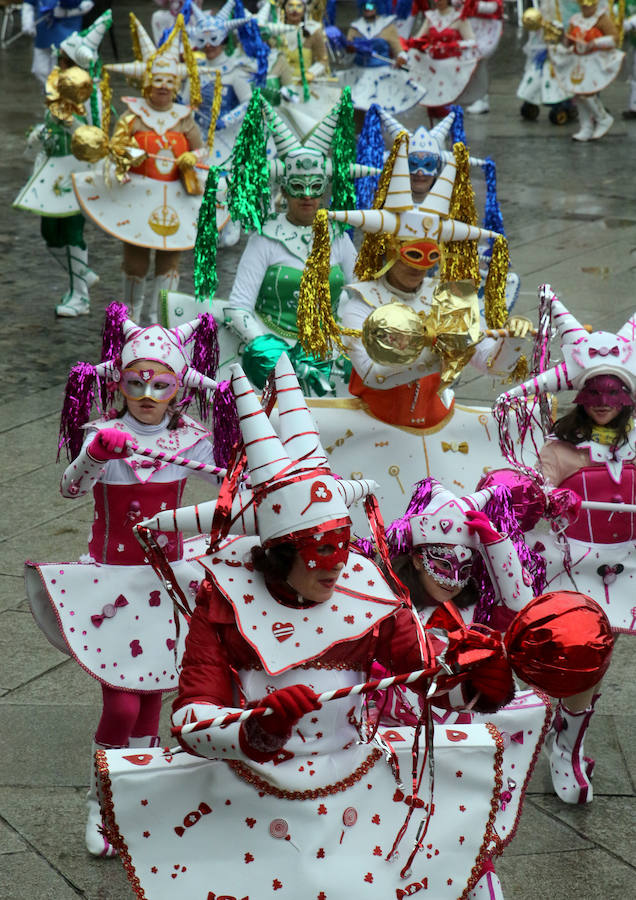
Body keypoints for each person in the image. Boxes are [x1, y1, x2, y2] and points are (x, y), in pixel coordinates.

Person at [94, 353, 520, 899]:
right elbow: (192, 714)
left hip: (357, 780)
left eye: (341, 544)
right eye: (318, 549)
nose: (338, 565)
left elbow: (427, 674)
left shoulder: (367, 586)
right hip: (250, 786)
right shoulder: (226, 600)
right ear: (279, 552)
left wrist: (474, 682)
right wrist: (253, 729)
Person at [24, 306, 223, 858]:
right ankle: (101, 804)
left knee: (153, 703)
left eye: (160, 384)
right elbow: (70, 489)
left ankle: (134, 805)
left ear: (179, 388)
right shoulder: (102, 434)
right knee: (121, 707)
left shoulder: (192, 440)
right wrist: (93, 457)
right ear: (119, 382)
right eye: (136, 382)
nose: (147, 394)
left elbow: (235, 481)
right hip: (111, 587)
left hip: (166, 587)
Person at [373, 477, 550, 899]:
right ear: (416, 558)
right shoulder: (382, 601)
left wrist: (496, 544)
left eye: (465, 568)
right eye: (442, 563)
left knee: (469, 855)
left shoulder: (473, 613)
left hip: (457, 750)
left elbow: (522, 607)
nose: (454, 580)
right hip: (390, 753)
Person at [495, 289, 636, 804]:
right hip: (569, 567)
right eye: (594, 390)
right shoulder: (558, 450)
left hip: (625, 569)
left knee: (598, 660)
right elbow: (525, 500)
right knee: (573, 653)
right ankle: (541, 740)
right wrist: (540, 499)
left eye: (614, 391)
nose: (604, 401)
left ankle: (567, 744)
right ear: (579, 394)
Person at [72, 14, 208, 324]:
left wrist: (192, 157)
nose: (163, 87)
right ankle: (130, 322)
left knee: (170, 259)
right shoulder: (133, 116)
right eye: (157, 80)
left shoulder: (184, 117)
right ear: (147, 82)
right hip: (138, 197)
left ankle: (161, 323)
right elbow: (116, 149)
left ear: (176, 85)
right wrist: (131, 155)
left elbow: (203, 150)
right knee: (135, 262)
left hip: (176, 198)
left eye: (169, 81)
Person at [222, 92, 361, 393]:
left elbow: (362, 293)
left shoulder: (338, 237)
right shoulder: (265, 238)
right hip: (273, 351)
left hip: (329, 349)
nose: (307, 196)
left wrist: (351, 337)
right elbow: (238, 307)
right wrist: (268, 348)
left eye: (315, 187)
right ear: (284, 190)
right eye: (298, 187)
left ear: (325, 190)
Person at [14, 10, 112, 318]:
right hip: (51, 170)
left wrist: (70, 124)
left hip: (76, 170)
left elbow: (97, 138)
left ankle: (80, 296)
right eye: (61, 60)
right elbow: (52, 122)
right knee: (50, 234)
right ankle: (82, 273)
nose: (60, 65)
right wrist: (41, 133)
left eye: (65, 61)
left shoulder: (92, 95)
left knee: (71, 231)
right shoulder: (59, 87)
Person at [549, 0, 624, 141]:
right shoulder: (576, 19)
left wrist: (595, 43)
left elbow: (614, 39)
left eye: (588, 7)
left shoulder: (601, 19)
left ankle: (602, 118)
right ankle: (586, 127)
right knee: (578, 95)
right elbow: (569, 41)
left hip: (594, 60)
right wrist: (561, 37)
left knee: (588, 94)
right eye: (583, 6)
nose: (585, 9)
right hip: (578, 61)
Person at [339, 0, 425, 114]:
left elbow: (398, 50)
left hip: (381, 75)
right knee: (357, 110)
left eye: (371, 6)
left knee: (379, 113)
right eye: (365, 6)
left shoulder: (387, 26)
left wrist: (402, 59)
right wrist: (349, 50)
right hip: (359, 76)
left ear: (378, 6)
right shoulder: (355, 28)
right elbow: (346, 56)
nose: (368, 9)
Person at [405, 0, 480, 113]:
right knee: (434, 108)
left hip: (451, 65)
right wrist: (412, 45)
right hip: (433, 65)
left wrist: (453, 45)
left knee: (448, 107)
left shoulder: (458, 17)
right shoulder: (431, 17)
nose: (438, 2)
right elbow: (419, 37)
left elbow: (472, 41)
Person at [21, 0, 94, 87]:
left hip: (66, 32)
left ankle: (59, 91)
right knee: (39, 69)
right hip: (43, 33)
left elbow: (88, 4)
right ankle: (50, 90)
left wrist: (66, 12)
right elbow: (28, 3)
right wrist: (27, 20)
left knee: (62, 70)